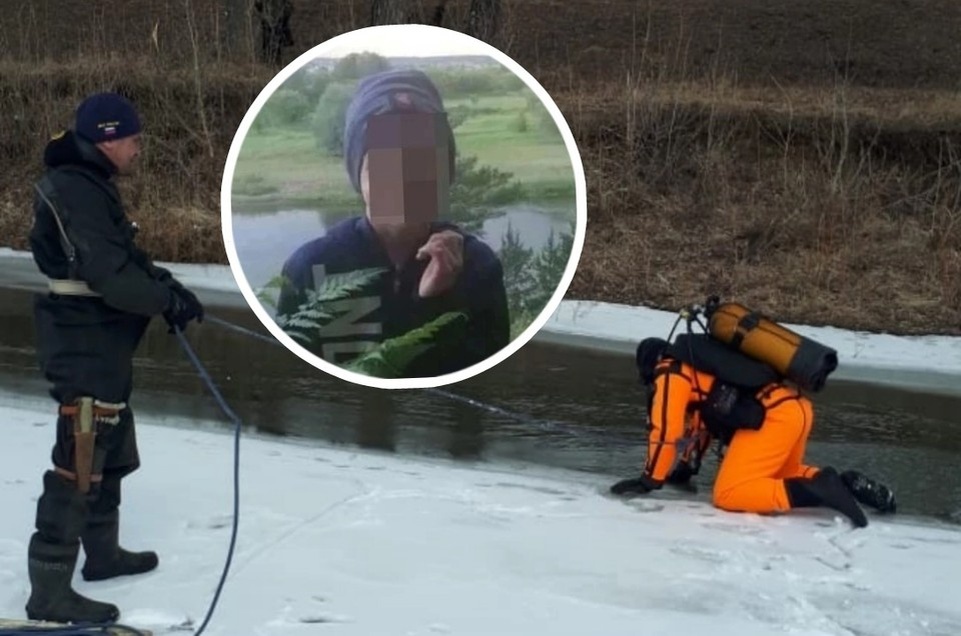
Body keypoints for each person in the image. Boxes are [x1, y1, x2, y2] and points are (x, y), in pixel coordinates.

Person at [25, 92, 204, 623]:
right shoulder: (74, 190)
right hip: (81, 338)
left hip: (104, 339)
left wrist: (168, 287)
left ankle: (102, 556)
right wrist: (159, 300)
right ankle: (49, 589)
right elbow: (106, 276)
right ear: (107, 136)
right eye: (132, 139)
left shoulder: (91, 185)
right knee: (80, 455)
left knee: (111, 442)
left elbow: (126, 258)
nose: (137, 148)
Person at [277, 69, 510, 377]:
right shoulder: (311, 267)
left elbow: (481, 387)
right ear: (356, 176)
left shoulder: (478, 267)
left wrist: (437, 301)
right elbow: (289, 381)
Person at [610, 336, 896, 528]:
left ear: (648, 365)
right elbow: (700, 423)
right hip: (795, 408)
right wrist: (685, 468)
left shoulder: (670, 371)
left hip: (774, 416)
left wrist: (649, 479)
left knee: (729, 493)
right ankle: (843, 484)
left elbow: (666, 428)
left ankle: (819, 490)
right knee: (781, 476)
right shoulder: (699, 366)